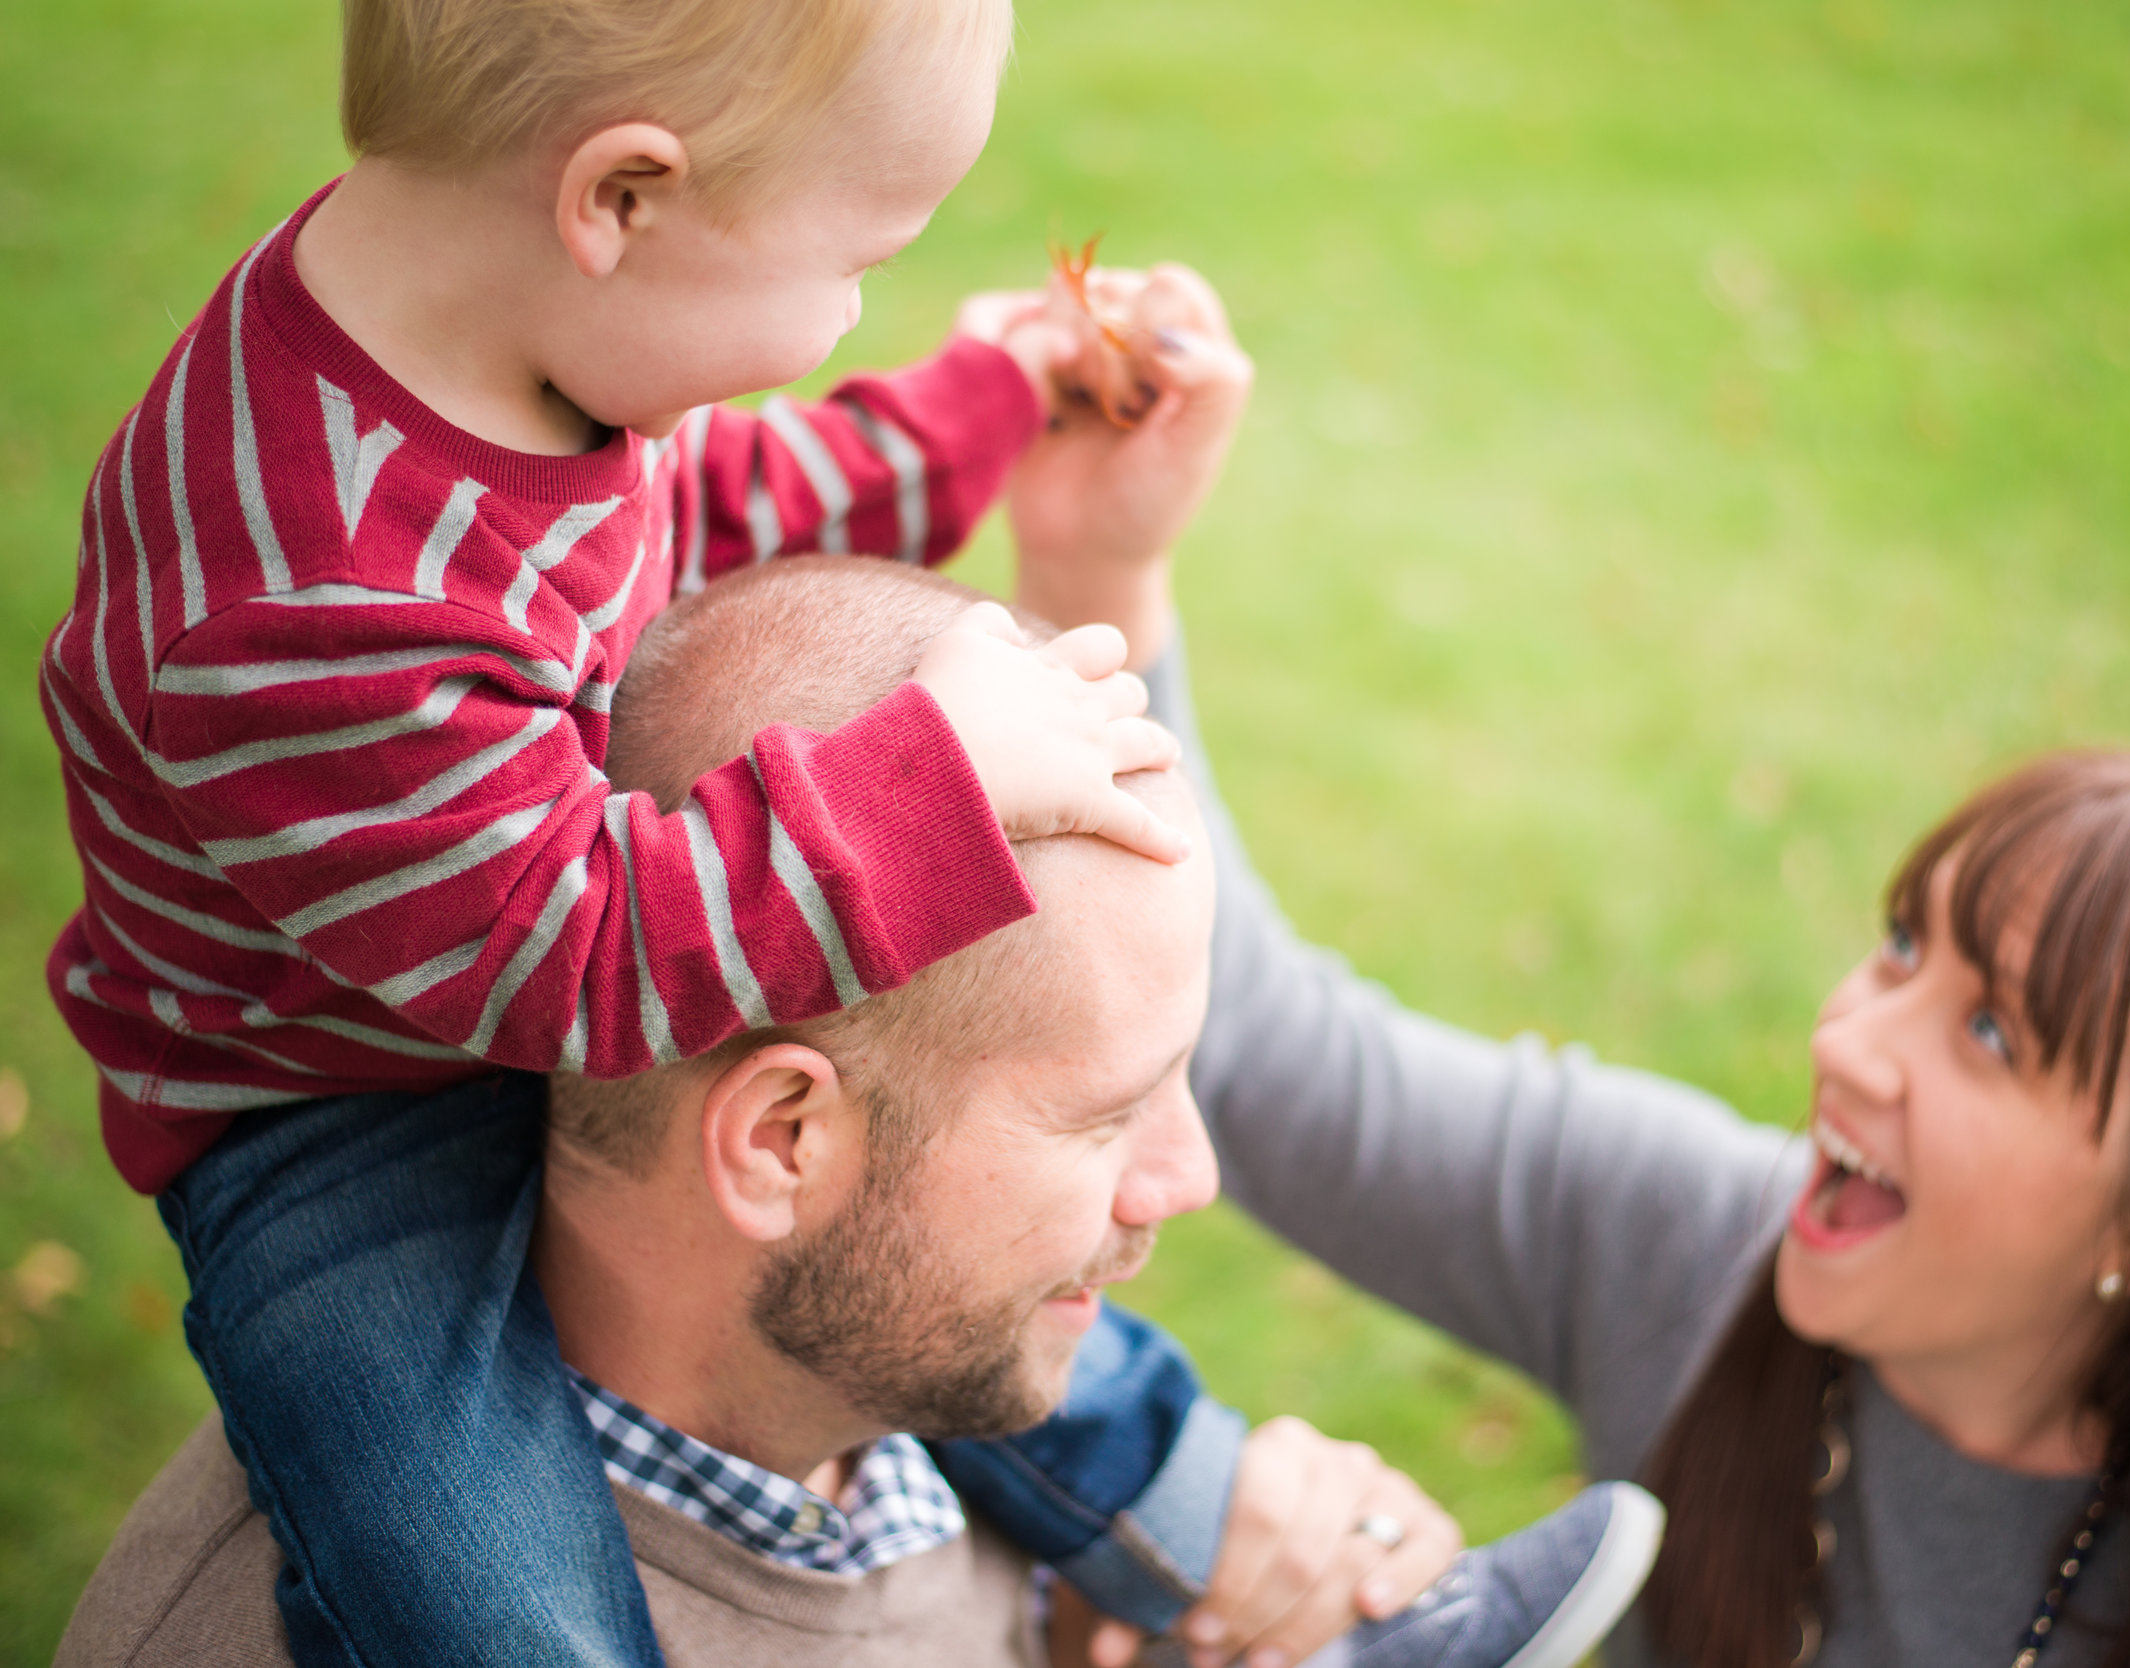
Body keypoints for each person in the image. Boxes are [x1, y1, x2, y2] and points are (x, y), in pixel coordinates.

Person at [32, 0, 1336, 1662]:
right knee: (456, 1541)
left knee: (952, 1232)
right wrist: (933, 778)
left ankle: (1239, 1541)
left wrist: (987, 402)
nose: (856, 305)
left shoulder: (500, 344)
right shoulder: (311, 602)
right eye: (858, 256)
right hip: (325, 1095)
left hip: (512, 933)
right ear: (622, 201)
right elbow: (573, 953)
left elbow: (709, 506)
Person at [56, 555, 1669, 1668]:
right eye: (1107, 1116)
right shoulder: (305, 1622)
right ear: (779, 1142)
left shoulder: (904, 1402)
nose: (1192, 1175)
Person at [1018, 488, 2130, 1667]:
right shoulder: (1690, 1241)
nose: (1849, 1043)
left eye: (1992, 1036)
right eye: (1905, 949)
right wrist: (1105, 573)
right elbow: (1287, 1070)